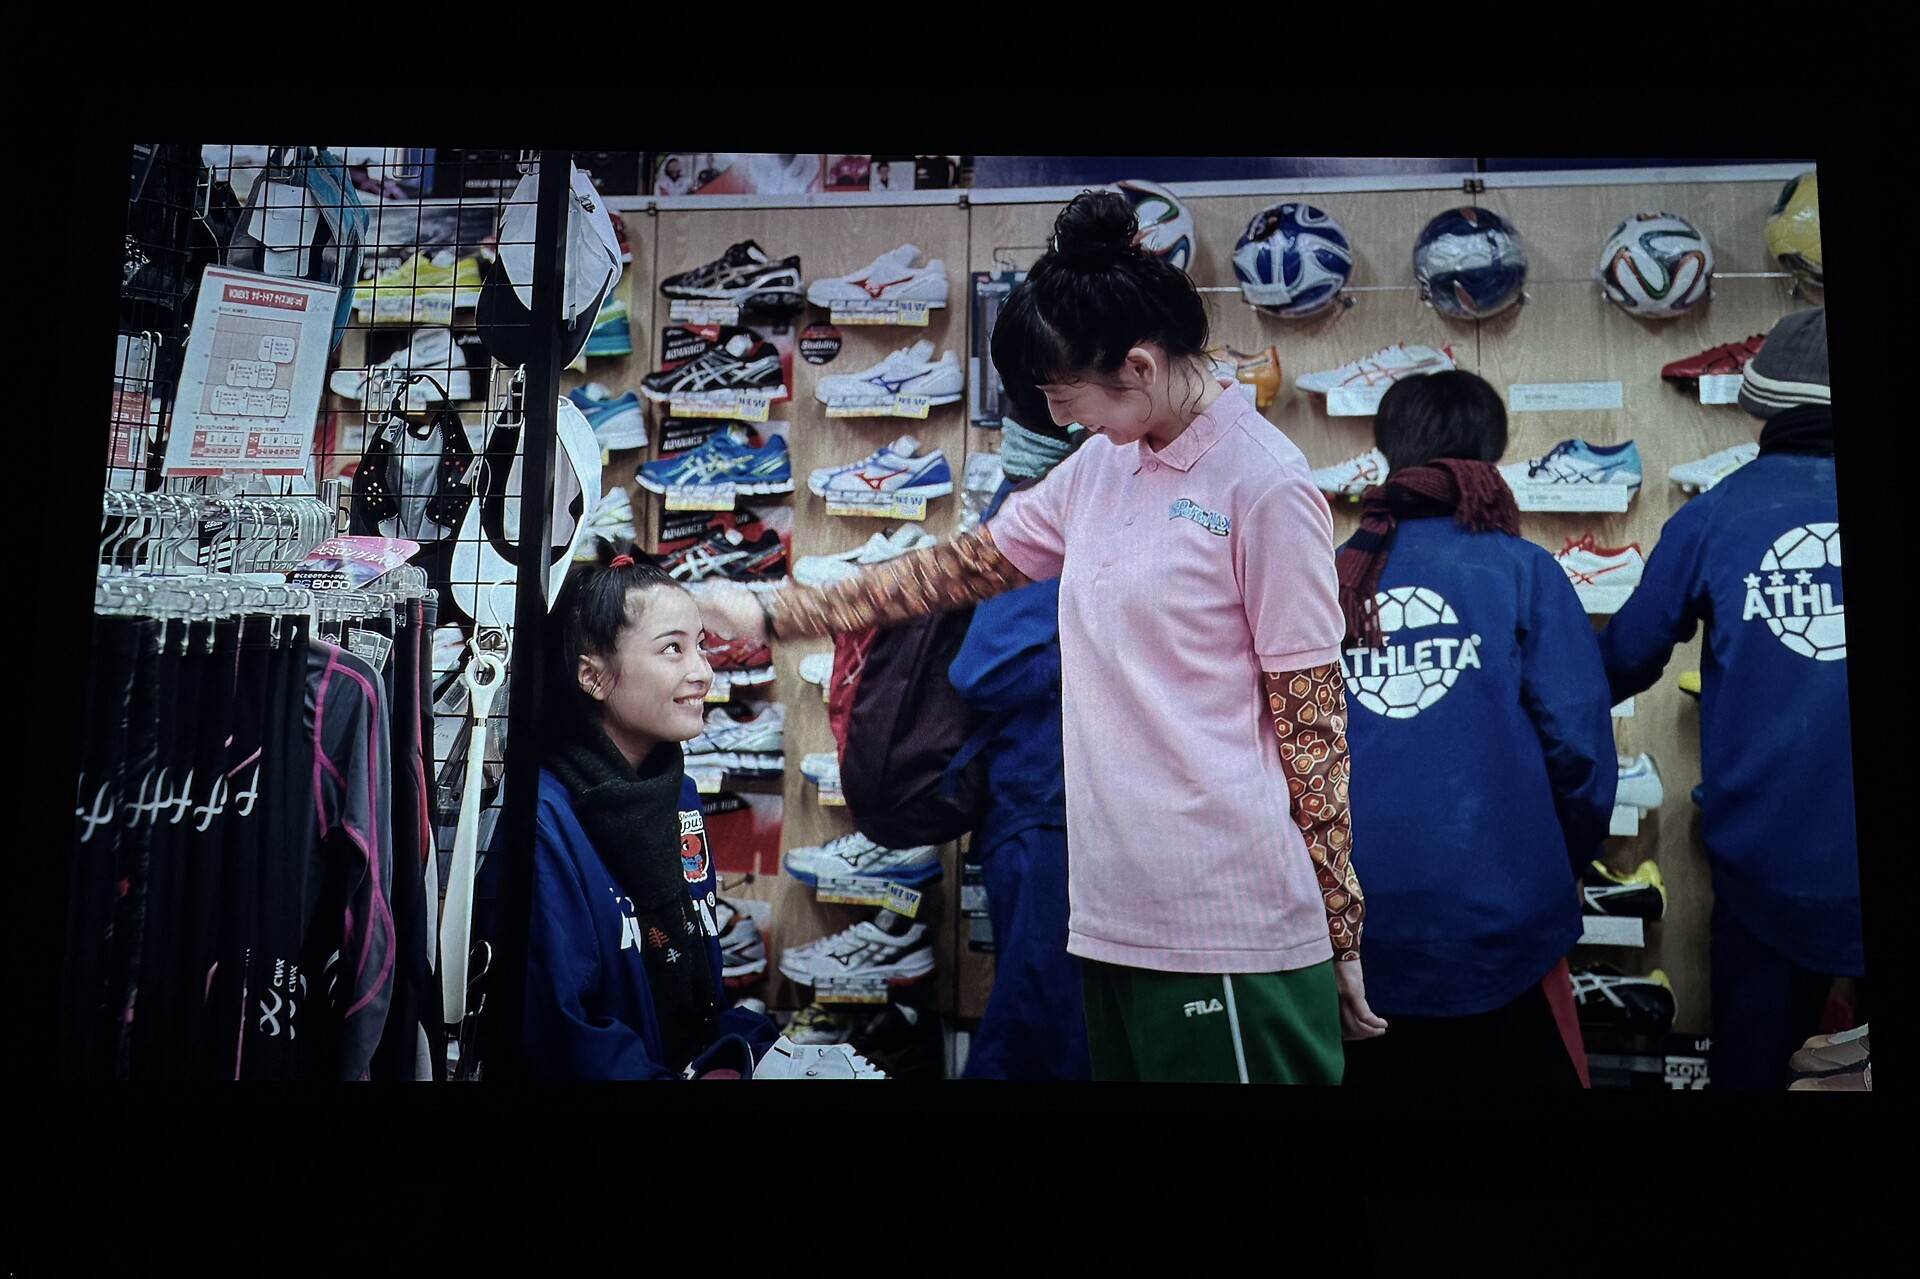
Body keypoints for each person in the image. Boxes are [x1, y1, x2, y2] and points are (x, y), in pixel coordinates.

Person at [701, 190, 1387, 1083]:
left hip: (1226, 919)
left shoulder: (1264, 485)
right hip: (1109, 913)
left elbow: (1312, 722)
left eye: (1064, 396)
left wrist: (1340, 926)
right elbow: (956, 569)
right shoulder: (1100, 467)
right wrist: (771, 613)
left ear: (1139, 366)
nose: (1059, 419)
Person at [1597, 307, 1862, 1091]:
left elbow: (1625, 660)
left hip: (1766, 862)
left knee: (1754, 1069)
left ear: (1760, 410)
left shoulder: (1714, 514)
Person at [1332, 370, 1613, 1090]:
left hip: (1353, 923)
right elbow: (1579, 749)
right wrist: (1564, 860)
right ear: (1490, 452)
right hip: (1503, 918)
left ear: (1389, 447)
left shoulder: (1334, 575)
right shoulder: (1523, 569)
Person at [519, 545, 778, 1079]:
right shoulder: (544, 819)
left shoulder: (678, 794)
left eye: (701, 646)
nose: (703, 672)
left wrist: (759, 1048)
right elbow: (564, 1032)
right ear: (592, 676)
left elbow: (693, 993)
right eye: (672, 650)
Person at [950, 362, 1090, 1081]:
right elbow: (983, 668)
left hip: (1061, 811)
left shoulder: (1066, 501)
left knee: (1065, 1032)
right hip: (1041, 815)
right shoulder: (1040, 510)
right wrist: (1107, 639)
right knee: (1038, 1034)